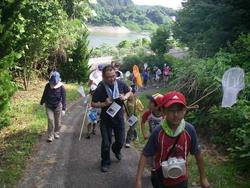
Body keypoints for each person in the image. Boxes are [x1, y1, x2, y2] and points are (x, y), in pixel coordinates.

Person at [135, 91, 210, 188]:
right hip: (160, 177)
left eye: (180, 110)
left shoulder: (189, 130)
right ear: (163, 111)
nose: (176, 114)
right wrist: (138, 180)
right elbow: (145, 154)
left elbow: (198, 153)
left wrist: (203, 178)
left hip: (181, 177)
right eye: (171, 110)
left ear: (185, 111)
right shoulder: (158, 132)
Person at [91, 65, 132, 172]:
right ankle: (105, 162)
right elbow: (93, 104)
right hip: (106, 120)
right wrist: (104, 103)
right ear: (104, 77)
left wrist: (125, 97)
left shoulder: (121, 83)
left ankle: (116, 149)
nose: (112, 79)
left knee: (121, 141)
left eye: (113, 76)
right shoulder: (100, 88)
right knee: (106, 143)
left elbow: (129, 92)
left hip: (119, 118)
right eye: (109, 77)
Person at [40, 71, 66, 142]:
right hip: (49, 105)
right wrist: (41, 102)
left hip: (58, 106)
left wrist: (64, 109)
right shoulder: (47, 86)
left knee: (58, 122)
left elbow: (64, 98)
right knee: (50, 120)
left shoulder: (62, 87)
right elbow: (44, 94)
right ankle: (50, 136)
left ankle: (56, 132)